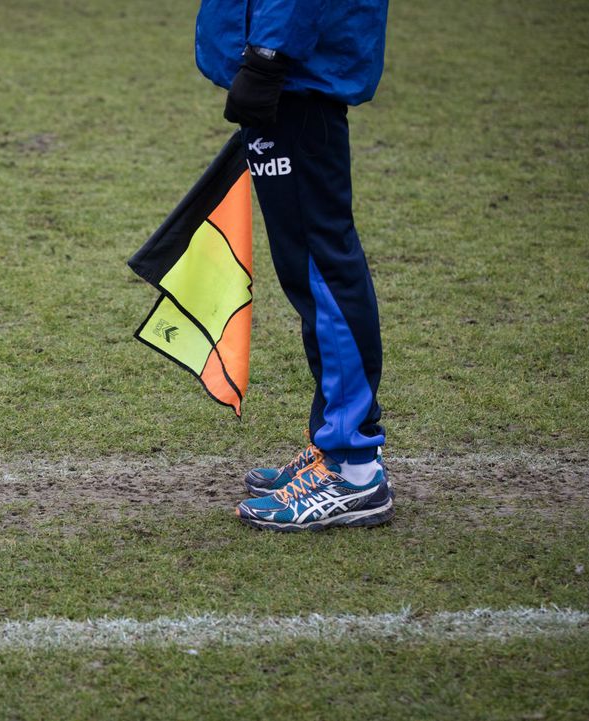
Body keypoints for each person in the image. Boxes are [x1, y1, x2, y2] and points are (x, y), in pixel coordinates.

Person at [194, 0, 394, 531]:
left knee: (323, 268)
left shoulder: (282, 64)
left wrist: (268, 56)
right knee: (309, 267)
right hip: (291, 66)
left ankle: (353, 468)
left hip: (295, 70)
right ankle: (334, 447)